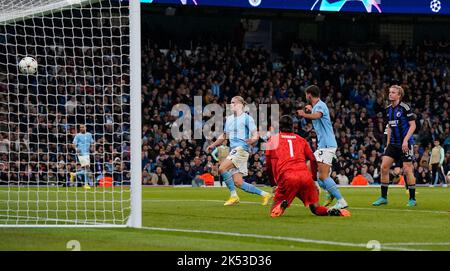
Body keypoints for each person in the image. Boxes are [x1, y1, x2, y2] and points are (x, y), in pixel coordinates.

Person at [265, 115, 350, 217]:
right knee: (316, 209)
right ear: (292, 127)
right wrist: (314, 179)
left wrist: (273, 184)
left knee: (273, 212)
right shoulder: (301, 139)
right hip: (305, 177)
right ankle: (332, 211)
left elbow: (269, 165)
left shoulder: (273, 140)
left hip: (288, 177)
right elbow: (313, 159)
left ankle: (281, 205)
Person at [207, 96, 272, 206]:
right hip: (234, 150)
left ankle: (233, 196)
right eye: (230, 102)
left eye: (233, 102)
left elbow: (255, 134)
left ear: (240, 104)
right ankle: (265, 194)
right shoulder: (229, 119)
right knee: (238, 182)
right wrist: (213, 145)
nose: (231, 104)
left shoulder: (247, 118)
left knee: (222, 168)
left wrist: (252, 140)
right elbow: (224, 135)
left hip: (241, 149)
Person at [297, 85, 348, 209]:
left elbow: (317, 116)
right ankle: (329, 192)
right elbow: (317, 114)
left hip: (326, 145)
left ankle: (341, 200)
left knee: (323, 176)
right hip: (323, 146)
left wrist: (304, 114)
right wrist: (311, 109)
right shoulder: (318, 106)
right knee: (313, 172)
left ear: (309, 94)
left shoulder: (320, 105)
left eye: (306, 95)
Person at [373, 85, 417, 207]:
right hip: (393, 143)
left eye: (393, 92)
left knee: (407, 170)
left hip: (405, 144)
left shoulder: (405, 108)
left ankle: (412, 198)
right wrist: (387, 144)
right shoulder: (388, 109)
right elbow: (390, 128)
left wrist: (405, 141)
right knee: (384, 167)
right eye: (390, 92)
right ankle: (383, 197)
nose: (390, 94)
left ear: (399, 95)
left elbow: (413, 125)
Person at [71, 124, 94, 189]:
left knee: (86, 169)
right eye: (80, 127)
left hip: (87, 154)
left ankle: (74, 174)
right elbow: (73, 144)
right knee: (86, 168)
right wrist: (76, 149)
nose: (81, 128)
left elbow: (92, 142)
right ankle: (86, 184)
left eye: (83, 127)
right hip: (81, 154)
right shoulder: (78, 135)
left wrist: (92, 147)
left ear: (85, 127)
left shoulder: (89, 135)